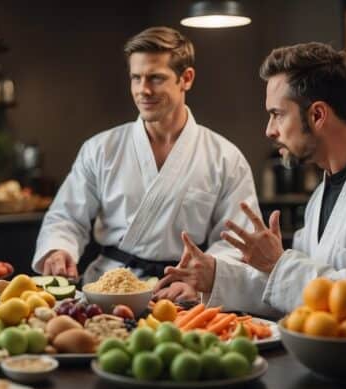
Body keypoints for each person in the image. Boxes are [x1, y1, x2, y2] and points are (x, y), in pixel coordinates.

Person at [157, 42, 346, 314]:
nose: (269, 130)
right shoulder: (323, 194)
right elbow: (295, 293)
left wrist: (279, 264)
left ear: (317, 115)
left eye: (277, 114)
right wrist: (217, 276)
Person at [32, 27, 273, 312]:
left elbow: (237, 241)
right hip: (107, 290)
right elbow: (67, 216)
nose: (143, 90)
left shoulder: (225, 158)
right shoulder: (101, 149)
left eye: (156, 78)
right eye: (136, 78)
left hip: (182, 294)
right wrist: (59, 249)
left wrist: (201, 278)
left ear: (186, 79)